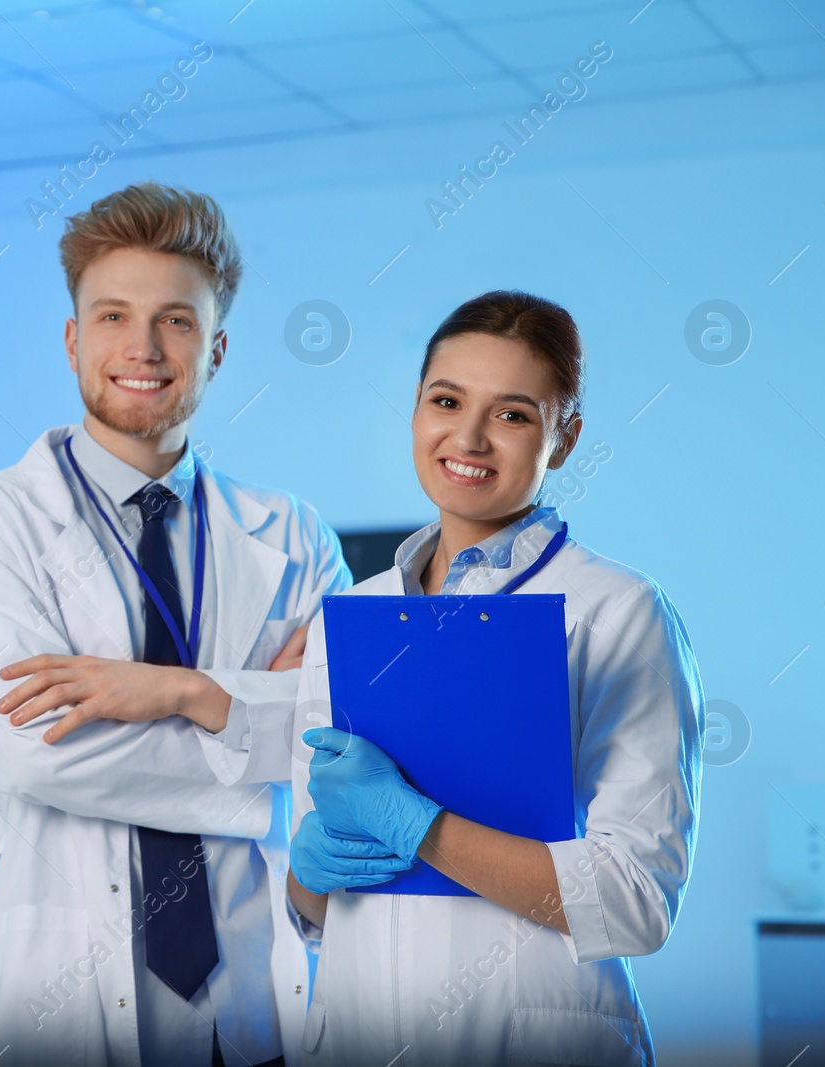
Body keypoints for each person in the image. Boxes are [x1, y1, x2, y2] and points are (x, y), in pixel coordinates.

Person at [0, 182, 351, 1067]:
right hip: (65, 1000)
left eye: (177, 321)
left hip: (256, 1005)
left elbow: (346, 752)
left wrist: (181, 693)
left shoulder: (294, 534)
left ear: (218, 348)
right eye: (114, 316)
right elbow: (35, 748)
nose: (144, 348)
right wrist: (253, 729)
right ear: (74, 340)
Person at [286, 291, 703, 1066]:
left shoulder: (617, 611)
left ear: (565, 438)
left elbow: (637, 902)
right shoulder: (349, 616)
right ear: (415, 409)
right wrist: (305, 874)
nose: (468, 436)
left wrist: (418, 825)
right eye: (446, 401)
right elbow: (314, 909)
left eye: (512, 414)